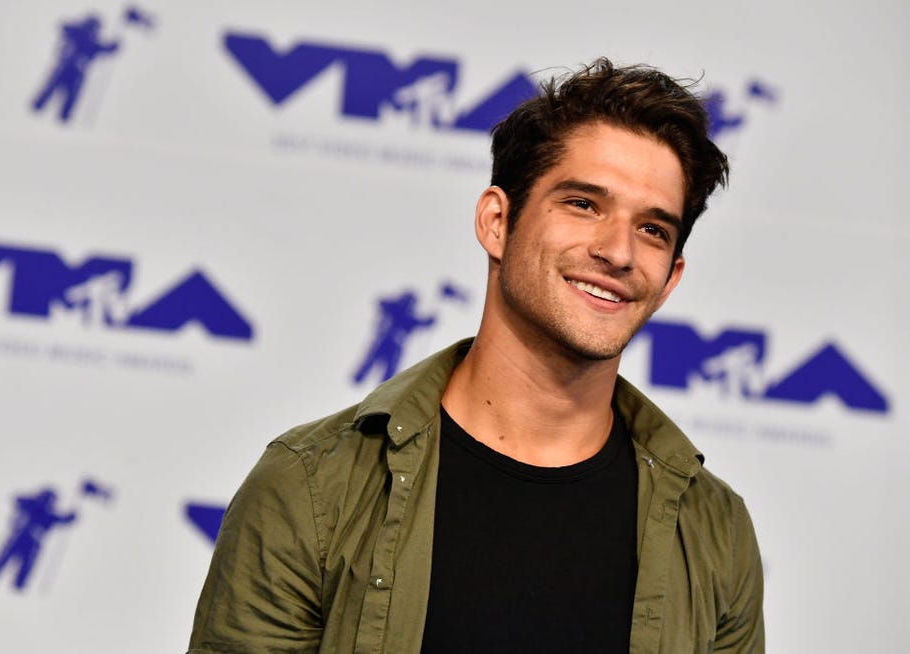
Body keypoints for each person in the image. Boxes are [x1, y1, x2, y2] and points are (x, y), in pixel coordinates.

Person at [188, 58, 764, 653]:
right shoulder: (311, 486)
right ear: (496, 222)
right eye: (583, 204)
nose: (618, 251)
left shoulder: (714, 531)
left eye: (653, 230)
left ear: (669, 279)